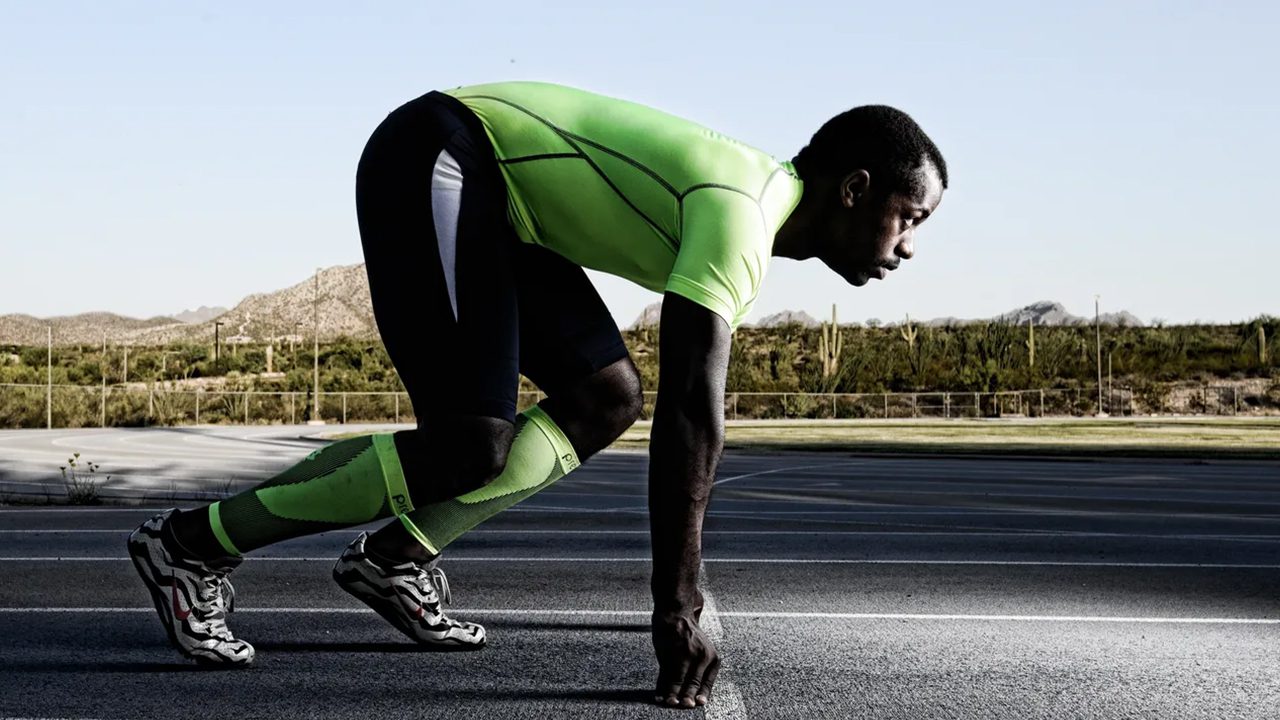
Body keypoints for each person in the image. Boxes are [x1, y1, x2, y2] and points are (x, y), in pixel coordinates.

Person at [127, 80, 947, 709]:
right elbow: (693, 412)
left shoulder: (756, 213)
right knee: (466, 442)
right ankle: (190, 546)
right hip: (444, 152)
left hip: (504, 205)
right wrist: (677, 604)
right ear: (855, 189)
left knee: (604, 397)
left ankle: (394, 559)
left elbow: (668, 404)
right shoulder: (741, 215)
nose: (909, 247)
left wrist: (678, 598)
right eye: (908, 218)